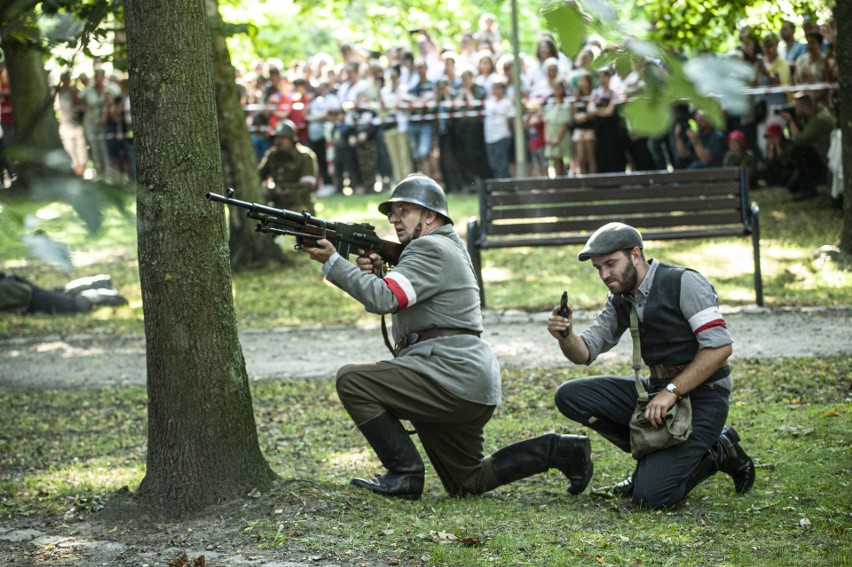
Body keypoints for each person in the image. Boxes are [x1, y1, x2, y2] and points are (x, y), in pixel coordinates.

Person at [300, 174, 592, 500]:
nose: (394, 218)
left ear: (430, 215)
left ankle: (405, 474)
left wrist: (333, 262)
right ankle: (558, 450)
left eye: (404, 210)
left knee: (353, 381)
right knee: (467, 481)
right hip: (466, 383)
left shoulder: (429, 248)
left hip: (448, 376)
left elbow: (383, 299)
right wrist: (379, 273)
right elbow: (395, 295)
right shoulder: (443, 246)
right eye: (391, 213)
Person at [547, 222, 755, 510]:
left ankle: (719, 449)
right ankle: (651, 458)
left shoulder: (683, 283)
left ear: (635, 255)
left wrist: (671, 391)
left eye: (610, 264)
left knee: (650, 498)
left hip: (703, 395)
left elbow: (720, 347)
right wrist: (566, 335)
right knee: (571, 396)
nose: (605, 275)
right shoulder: (621, 297)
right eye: (598, 268)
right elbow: (585, 352)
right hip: (657, 392)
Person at [777, 91, 836, 201]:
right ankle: (807, 186)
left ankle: (809, 189)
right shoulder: (813, 115)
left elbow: (798, 139)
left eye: (796, 106)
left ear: (804, 106)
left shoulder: (819, 119)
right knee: (792, 187)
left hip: (826, 160)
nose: (794, 109)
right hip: (821, 157)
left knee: (798, 151)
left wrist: (790, 120)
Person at [258, 119, 319, 213]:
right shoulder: (272, 155)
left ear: (292, 139)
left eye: (283, 138)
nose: (279, 141)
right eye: (276, 138)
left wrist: (287, 192)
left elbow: (307, 187)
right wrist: (273, 191)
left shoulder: (305, 156)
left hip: (300, 205)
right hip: (277, 205)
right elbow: (258, 177)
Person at [0, 272, 127, 314]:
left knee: (68, 304)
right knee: (58, 295)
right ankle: (97, 283)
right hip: (16, 287)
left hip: (21, 295)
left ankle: (104, 295)